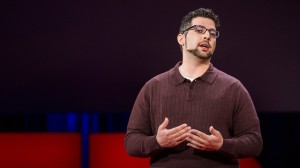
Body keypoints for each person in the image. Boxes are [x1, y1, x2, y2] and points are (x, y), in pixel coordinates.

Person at [124, 8, 263, 168]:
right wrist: (157, 141)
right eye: (199, 30)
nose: (207, 36)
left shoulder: (233, 88)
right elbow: (131, 142)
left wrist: (222, 145)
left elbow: (254, 142)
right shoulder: (153, 87)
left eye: (212, 33)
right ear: (181, 38)